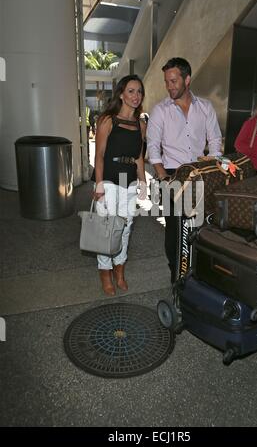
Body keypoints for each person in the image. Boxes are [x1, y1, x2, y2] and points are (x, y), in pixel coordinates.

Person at [147, 57, 222, 283]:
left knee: (201, 227)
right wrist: (163, 176)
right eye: (166, 82)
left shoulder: (206, 107)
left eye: (173, 81)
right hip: (173, 175)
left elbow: (216, 141)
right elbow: (153, 146)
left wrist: (214, 163)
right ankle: (176, 278)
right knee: (175, 231)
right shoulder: (160, 110)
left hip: (200, 175)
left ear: (187, 79)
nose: (169, 86)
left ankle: (198, 275)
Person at [93, 75, 147, 296]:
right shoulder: (107, 120)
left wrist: (143, 181)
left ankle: (119, 272)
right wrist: (98, 184)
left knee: (125, 229)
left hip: (130, 182)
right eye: (132, 91)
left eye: (140, 92)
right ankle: (105, 274)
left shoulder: (141, 124)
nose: (136, 96)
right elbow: (99, 156)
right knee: (107, 231)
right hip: (109, 179)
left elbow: (140, 156)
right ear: (122, 94)